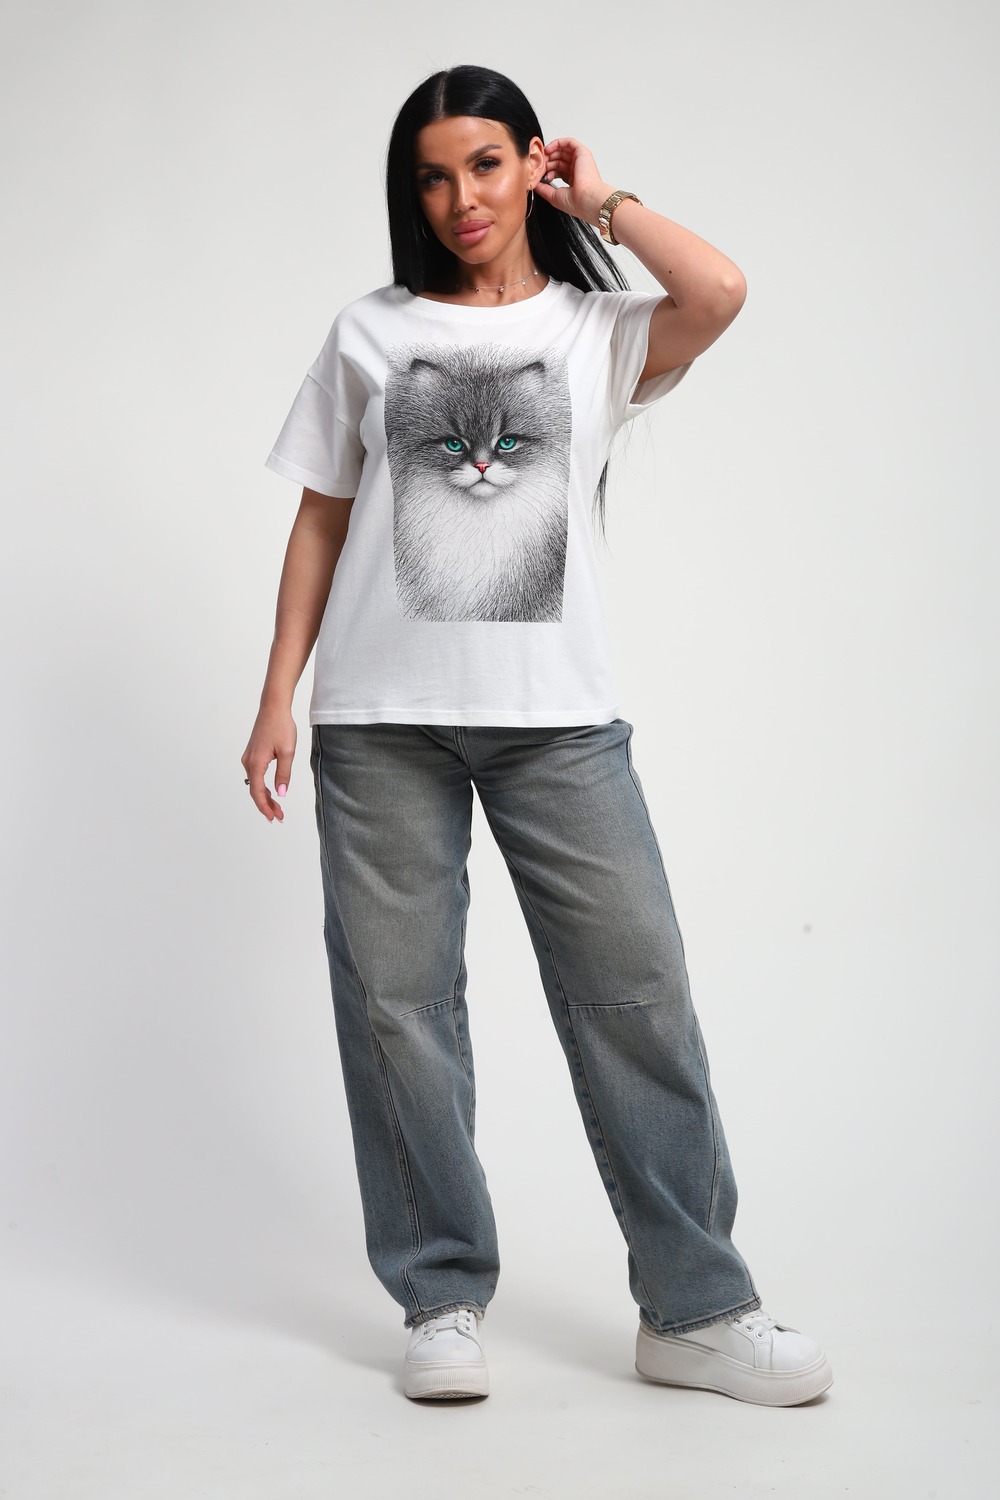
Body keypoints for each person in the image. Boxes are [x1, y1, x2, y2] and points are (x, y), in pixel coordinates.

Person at [242, 64, 832, 1407]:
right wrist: (279, 692)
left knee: (638, 999)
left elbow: (720, 290)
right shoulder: (369, 331)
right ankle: (440, 1300)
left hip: (557, 723)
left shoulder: (595, 330)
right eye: (433, 176)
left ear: (530, 165)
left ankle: (696, 1309)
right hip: (379, 724)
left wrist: (601, 200)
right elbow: (323, 518)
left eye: (487, 165)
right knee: (400, 1017)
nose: (460, 198)